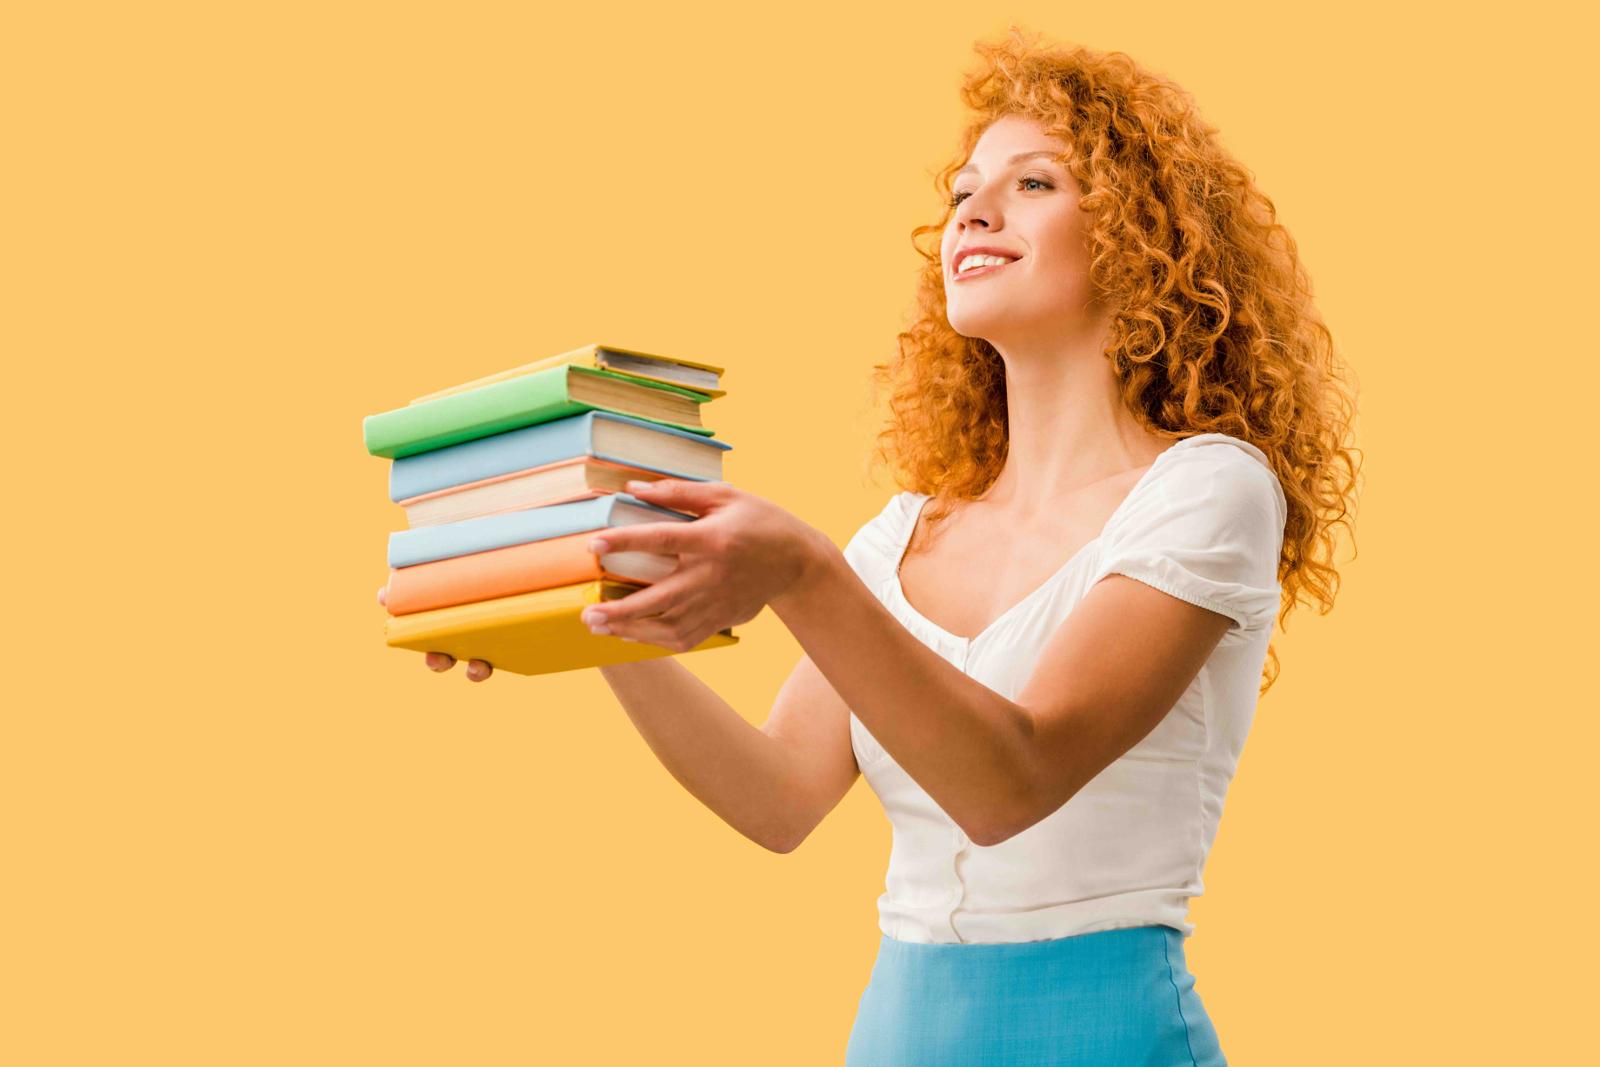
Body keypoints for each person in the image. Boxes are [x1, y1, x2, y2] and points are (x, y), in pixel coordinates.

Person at [379, 27, 1360, 1067]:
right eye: (965, 192)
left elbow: (1010, 783)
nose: (973, 211)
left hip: (1109, 1034)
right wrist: (585, 603)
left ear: (1139, 235)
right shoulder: (902, 536)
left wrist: (802, 572)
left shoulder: (1209, 490)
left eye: (1033, 183)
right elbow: (777, 797)